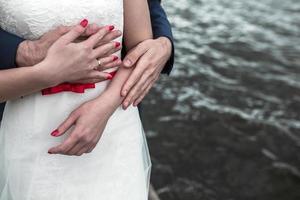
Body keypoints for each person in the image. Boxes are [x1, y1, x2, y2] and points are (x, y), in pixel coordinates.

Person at [0, 0, 172, 199]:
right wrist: (48, 73)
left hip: (112, 129)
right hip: (30, 132)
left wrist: (105, 106)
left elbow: (141, 44)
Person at [0, 0, 174, 120]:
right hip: (20, 112)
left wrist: (106, 106)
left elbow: (143, 33)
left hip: (112, 115)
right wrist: (27, 54)